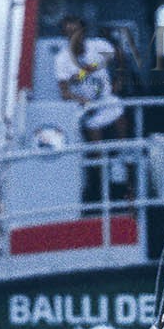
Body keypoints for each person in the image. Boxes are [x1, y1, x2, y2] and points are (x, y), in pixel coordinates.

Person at [54, 15, 127, 208]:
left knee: (119, 112)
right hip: (87, 110)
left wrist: (119, 78)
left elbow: (119, 55)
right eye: (68, 32)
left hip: (106, 100)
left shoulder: (98, 46)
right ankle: (103, 191)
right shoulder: (62, 60)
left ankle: (125, 163)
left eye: (76, 31)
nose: (73, 36)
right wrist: (82, 100)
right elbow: (64, 92)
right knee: (97, 152)